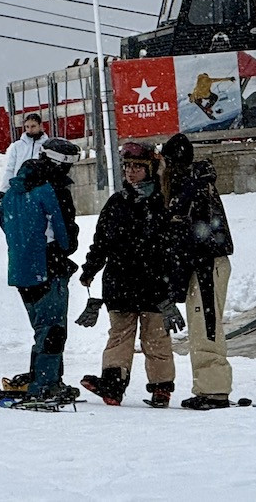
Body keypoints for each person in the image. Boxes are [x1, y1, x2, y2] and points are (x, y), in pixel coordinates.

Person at [77, 142, 178, 408]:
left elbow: (172, 246)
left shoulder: (163, 201)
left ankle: (161, 389)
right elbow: (101, 242)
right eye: (127, 167)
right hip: (120, 282)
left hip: (155, 283)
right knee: (119, 336)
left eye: (137, 167)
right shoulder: (116, 202)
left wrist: (173, 282)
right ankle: (112, 385)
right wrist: (90, 269)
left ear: (150, 170)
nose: (130, 172)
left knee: (155, 338)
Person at [0, 137, 81, 402]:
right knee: (52, 328)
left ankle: (43, 377)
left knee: (41, 327)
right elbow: (66, 237)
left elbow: (6, 223)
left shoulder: (13, 190)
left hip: (21, 268)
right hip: (48, 265)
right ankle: (46, 383)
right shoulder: (52, 189)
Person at [160, 132, 235, 410]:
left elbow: (184, 240)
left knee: (207, 328)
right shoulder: (196, 184)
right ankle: (209, 387)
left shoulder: (187, 189)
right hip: (208, 262)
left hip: (205, 265)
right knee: (204, 326)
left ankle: (214, 390)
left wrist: (175, 286)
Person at [0, 112, 48, 195]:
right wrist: (4, 190)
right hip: (19, 187)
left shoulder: (46, 145)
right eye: (27, 127)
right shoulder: (17, 146)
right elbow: (10, 169)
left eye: (33, 126)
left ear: (40, 126)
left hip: (39, 189)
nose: (30, 130)